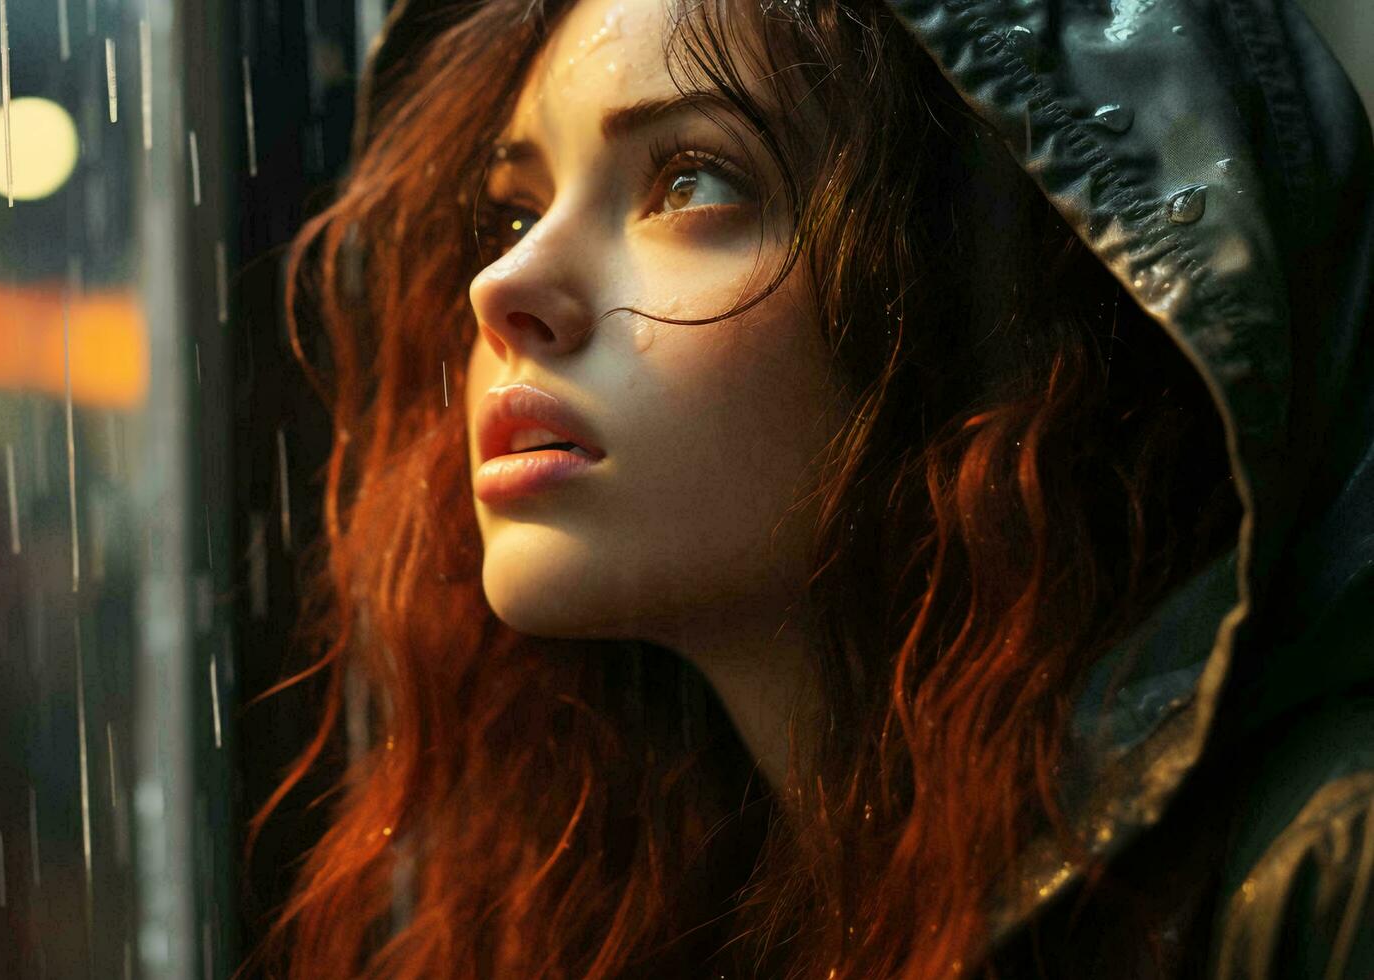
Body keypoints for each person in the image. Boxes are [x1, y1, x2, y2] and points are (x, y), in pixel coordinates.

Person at [242, 0, 1374, 976]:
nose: (504, 282)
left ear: (982, 303)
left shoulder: (1326, 871)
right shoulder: (652, 895)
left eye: (693, 179)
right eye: (512, 207)